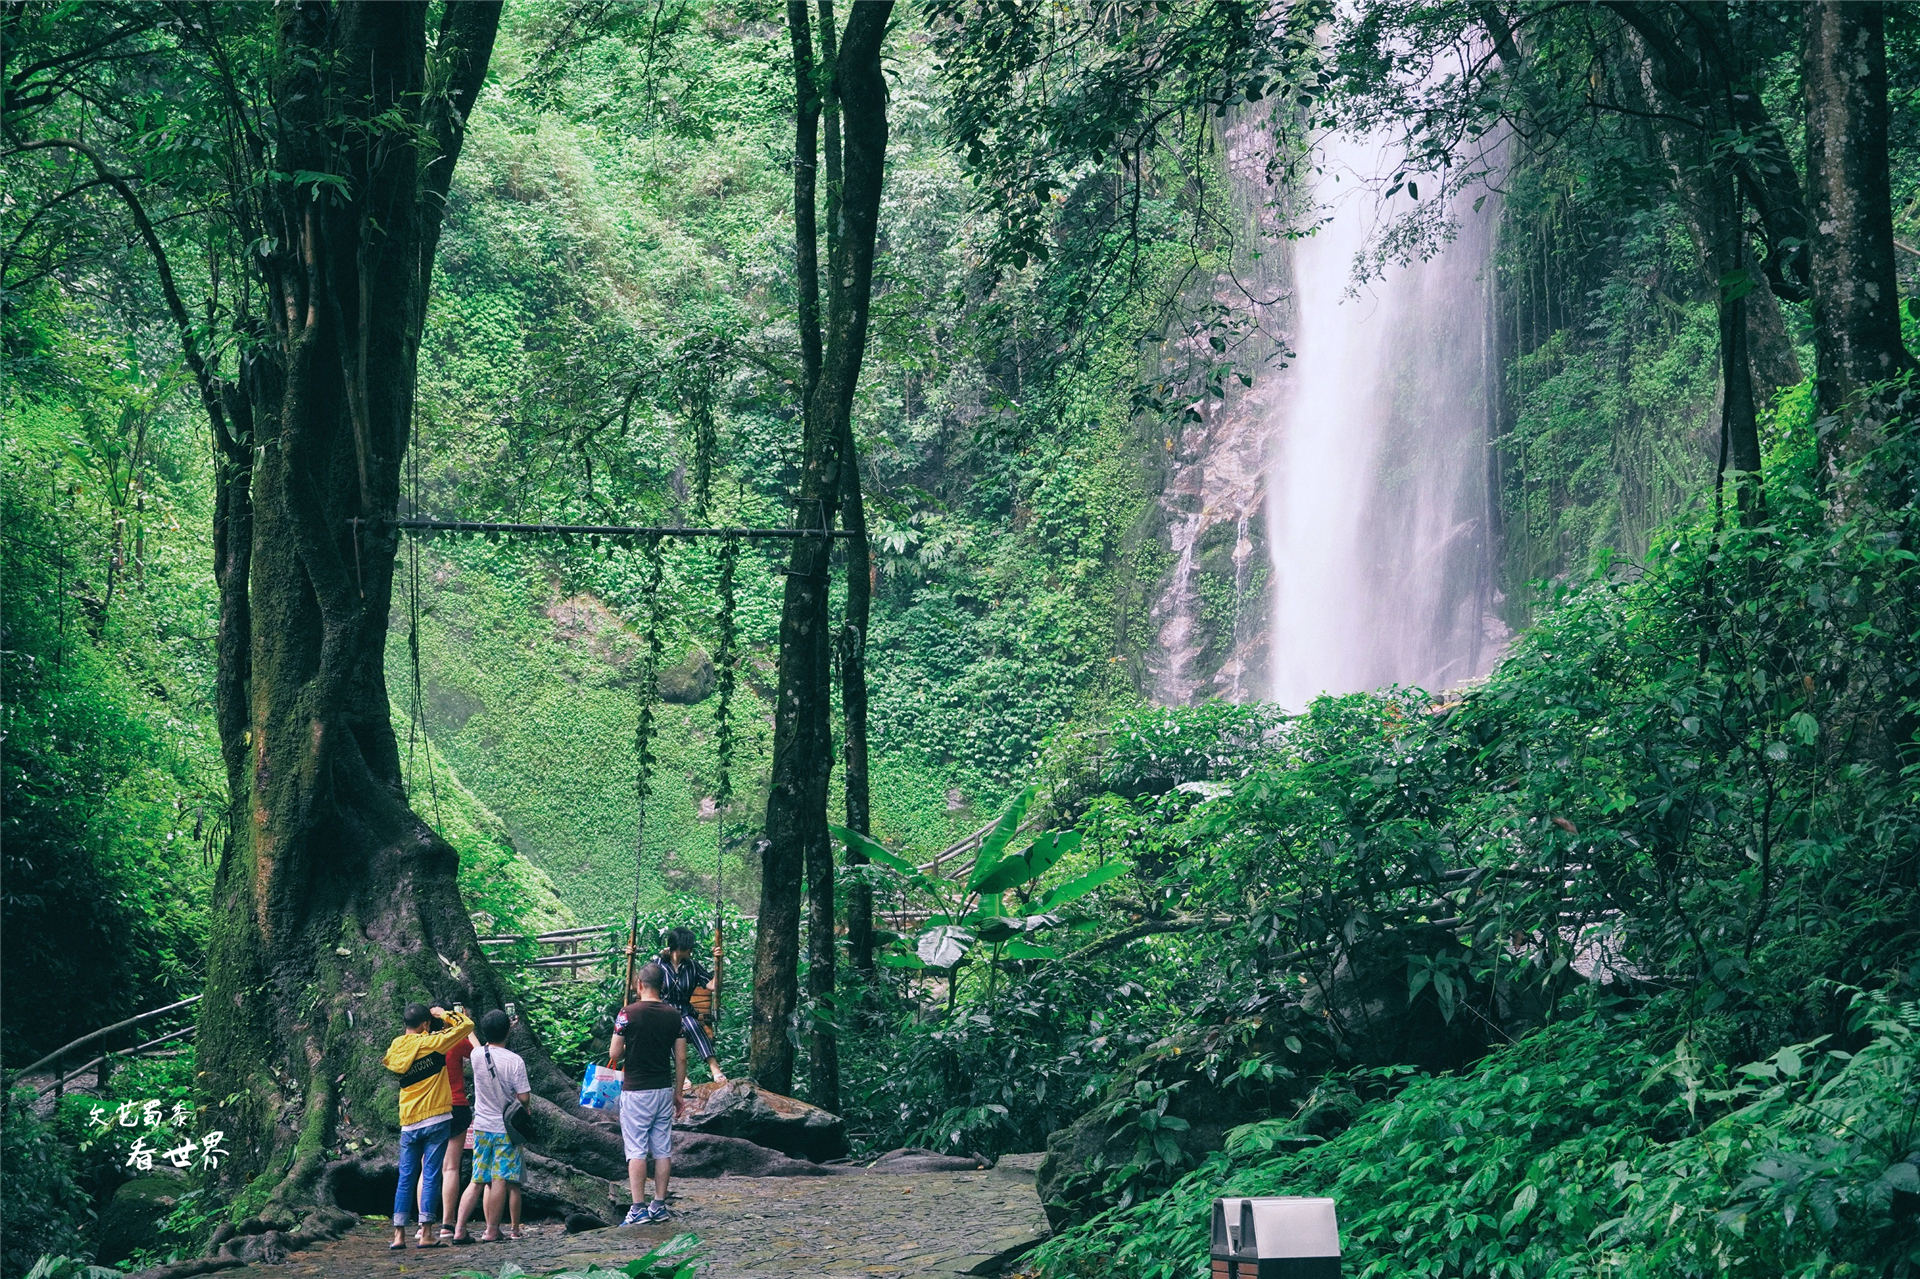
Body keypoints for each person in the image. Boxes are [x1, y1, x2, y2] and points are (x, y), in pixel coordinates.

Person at [383, 1002, 473, 1250]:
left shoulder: (396, 1047)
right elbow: (467, 1026)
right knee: (432, 1174)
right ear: (424, 1025)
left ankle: (399, 1235)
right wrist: (444, 1014)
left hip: (409, 1121)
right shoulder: (432, 1042)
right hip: (435, 1119)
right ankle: (426, 1233)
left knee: (406, 1177)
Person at [609, 962, 686, 1225]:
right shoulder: (674, 1015)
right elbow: (682, 1059)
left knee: (637, 1150)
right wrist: (678, 1093)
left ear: (639, 984)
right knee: (662, 1149)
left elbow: (614, 1053)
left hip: (636, 1089)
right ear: (662, 985)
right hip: (663, 1089)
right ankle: (659, 1205)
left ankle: (638, 1208)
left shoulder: (627, 1013)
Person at [452, 1010, 531, 1244]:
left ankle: (458, 1229)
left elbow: (475, 1043)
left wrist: (467, 1023)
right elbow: (524, 1097)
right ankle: (491, 1230)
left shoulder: (477, 1055)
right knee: (499, 1179)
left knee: (477, 1180)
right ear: (508, 1030)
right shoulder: (515, 1061)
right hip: (506, 1129)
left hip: (481, 1127)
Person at [655, 925, 726, 1082]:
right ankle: (683, 1077)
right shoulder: (659, 964)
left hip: (684, 1010)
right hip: (664, 1011)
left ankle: (714, 1068)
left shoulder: (692, 966)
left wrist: (719, 963)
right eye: (689, 946)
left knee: (692, 1025)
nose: (691, 949)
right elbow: (641, 985)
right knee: (670, 1029)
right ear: (679, 946)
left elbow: (713, 985)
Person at [437, 1009, 478, 1241]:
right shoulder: (453, 1042)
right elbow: (477, 1052)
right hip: (457, 1106)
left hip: (430, 1109)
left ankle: (424, 1225)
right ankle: (446, 1224)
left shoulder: (421, 1043)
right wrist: (458, 1018)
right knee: (450, 1167)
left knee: (428, 1167)